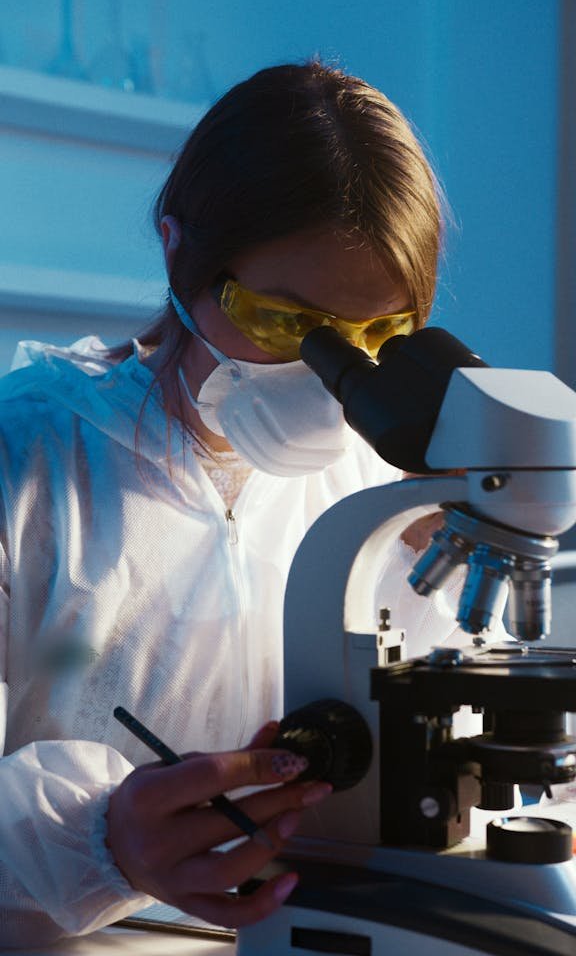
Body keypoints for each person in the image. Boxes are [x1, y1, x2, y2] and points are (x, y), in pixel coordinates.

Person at [0, 60, 469, 946]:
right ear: (179, 252)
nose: (333, 377)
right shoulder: (27, 461)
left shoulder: (378, 489)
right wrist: (99, 844)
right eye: (286, 324)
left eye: (380, 335)